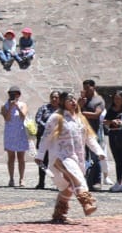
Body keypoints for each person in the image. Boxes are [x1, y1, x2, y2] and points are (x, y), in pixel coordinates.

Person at [41, 92, 100, 224]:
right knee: (76, 177)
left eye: (73, 99)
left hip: (77, 157)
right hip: (60, 157)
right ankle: (87, 203)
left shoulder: (80, 118)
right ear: (63, 103)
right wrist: (39, 155)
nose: (73, 101)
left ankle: (59, 214)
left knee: (66, 188)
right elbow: (45, 137)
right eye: (69, 100)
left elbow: (90, 138)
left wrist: (99, 152)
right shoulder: (56, 117)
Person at [1, 88, 30, 187]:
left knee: (21, 157)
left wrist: (17, 107)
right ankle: (11, 178)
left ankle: (22, 179)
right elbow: (7, 118)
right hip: (10, 133)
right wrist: (10, 107)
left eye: (15, 94)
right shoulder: (4, 106)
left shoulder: (23, 105)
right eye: (11, 94)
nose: (13, 96)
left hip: (20, 132)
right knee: (11, 157)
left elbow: (23, 116)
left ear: (19, 95)